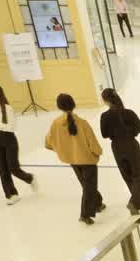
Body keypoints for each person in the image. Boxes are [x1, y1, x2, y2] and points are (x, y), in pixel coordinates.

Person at [45, 94, 105, 225]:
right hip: (87, 160)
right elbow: (93, 144)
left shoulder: (55, 124)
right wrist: (98, 153)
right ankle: (85, 214)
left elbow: (48, 142)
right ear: (73, 104)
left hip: (72, 160)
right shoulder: (82, 123)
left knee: (87, 184)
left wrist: (64, 151)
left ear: (59, 107)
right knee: (89, 186)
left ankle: (98, 203)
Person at [0, 84, 37, 205]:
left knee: (13, 168)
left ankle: (30, 178)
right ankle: (11, 194)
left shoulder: (7, 108)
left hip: (8, 138)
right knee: (2, 169)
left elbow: (10, 127)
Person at [99, 88, 140, 215]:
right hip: (131, 145)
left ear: (105, 101)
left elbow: (104, 134)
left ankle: (138, 202)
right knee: (138, 175)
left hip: (117, 147)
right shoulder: (129, 113)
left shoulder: (104, 116)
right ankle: (135, 202)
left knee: (127, 175)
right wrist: (131, 130)